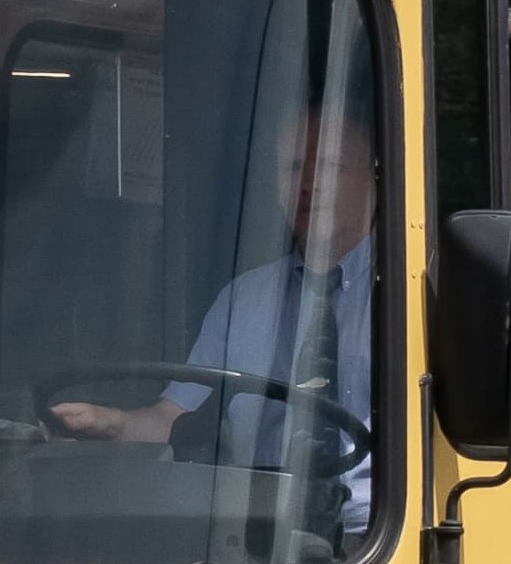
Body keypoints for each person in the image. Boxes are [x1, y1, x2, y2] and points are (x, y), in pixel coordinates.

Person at [46, 99, 377, 538]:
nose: (309, 185)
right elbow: (175, 417)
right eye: (294, 168)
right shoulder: (243, 298)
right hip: (255, 539)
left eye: (332, 166)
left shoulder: (415, 291)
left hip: (379, 542)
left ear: (374, 176)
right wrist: (114, 423)